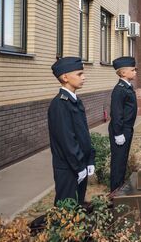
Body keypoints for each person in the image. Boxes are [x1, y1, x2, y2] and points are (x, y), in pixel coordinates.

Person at [47, 57, 95, 205]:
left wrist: (89, 159)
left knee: (78, 204)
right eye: (79, 74)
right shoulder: (60, 105)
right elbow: (67, 140)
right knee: (66, 209)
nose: (84, 77)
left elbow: (83, 135)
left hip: (79, 164)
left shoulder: (75, 100)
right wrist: (79, 166)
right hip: (69, 168)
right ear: (65, 77)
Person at [108, 56, 138, 192]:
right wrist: (118, 133)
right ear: (123, 73)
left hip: (127, 128)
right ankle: (115, 191)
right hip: (120, 130)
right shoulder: (119, 89)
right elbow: (116, 113)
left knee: (123, 159)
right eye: (133, 70)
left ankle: (119, 187)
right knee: (118, 161)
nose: (135, 72)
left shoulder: (127, 87)